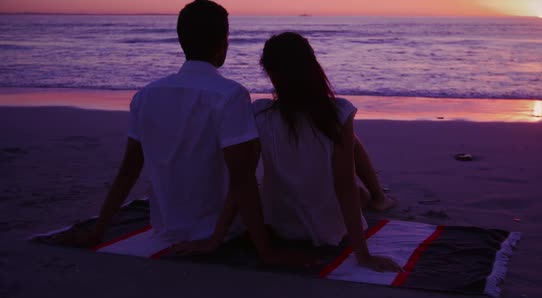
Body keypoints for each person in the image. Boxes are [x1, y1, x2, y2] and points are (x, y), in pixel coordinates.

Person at [56, 0, 297, 266]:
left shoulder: (146, 95)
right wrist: (264, 252)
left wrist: (99, 230)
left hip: (165, 227)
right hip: (220, 229)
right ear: (223, 43)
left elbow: (128, 171)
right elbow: (243, 179)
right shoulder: (231, 95)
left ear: (181, 40)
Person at [192, 32, 401, 272]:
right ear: (312, 67)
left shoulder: (260, 113)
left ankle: (374, 197)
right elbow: (344, 185)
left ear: (270, 74)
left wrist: (215, 239)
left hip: (281, 225)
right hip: (329, 229)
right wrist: (363, 255)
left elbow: (242, 180)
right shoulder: (338, 112)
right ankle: (378, 198)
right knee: (352, 175)